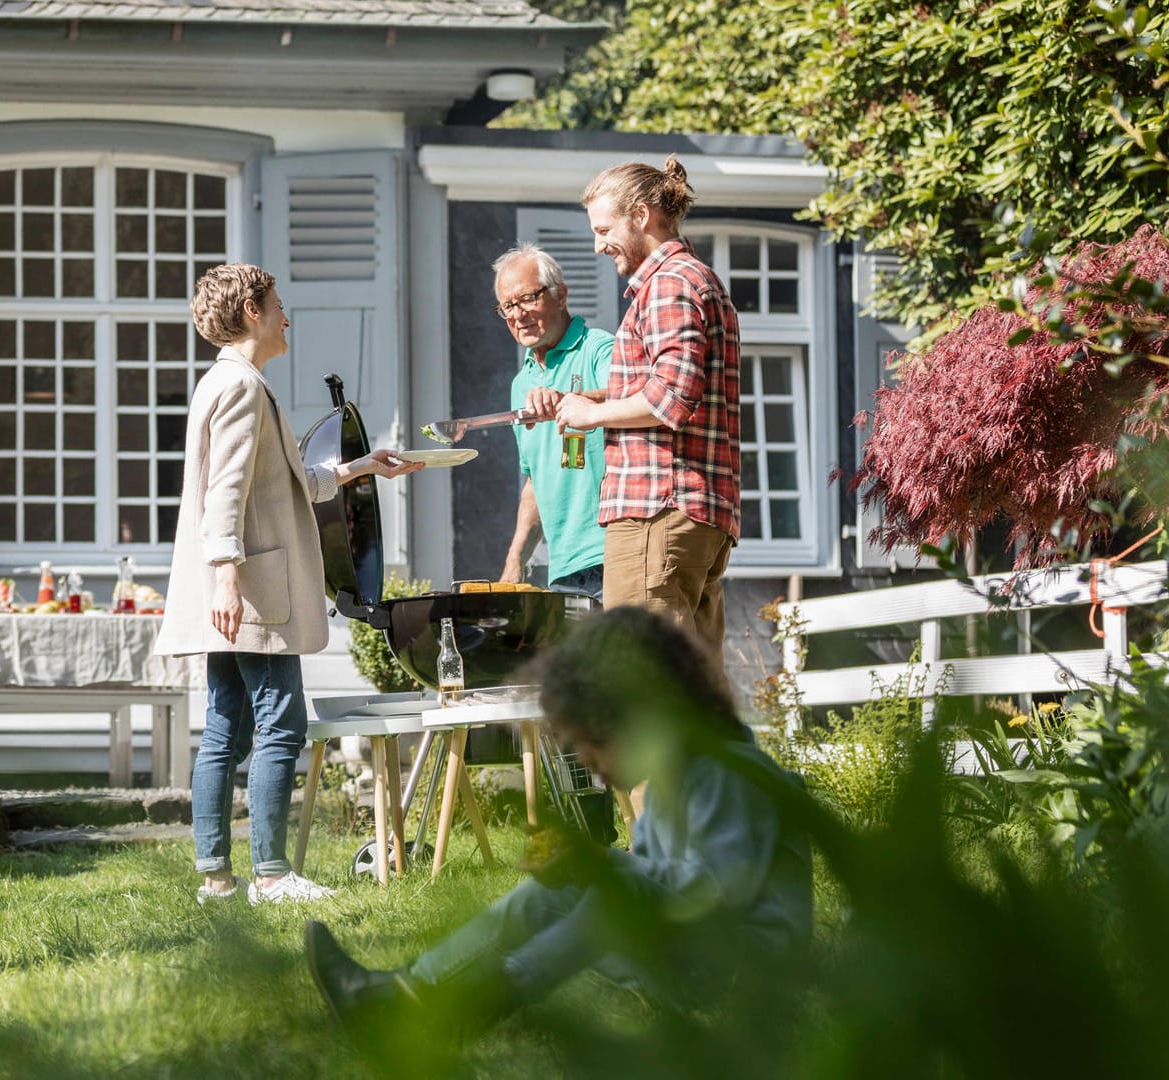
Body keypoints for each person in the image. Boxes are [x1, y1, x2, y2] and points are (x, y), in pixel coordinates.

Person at [305, 606, 813, 1061]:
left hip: (741, 979)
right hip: (696, 958)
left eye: (590, 742)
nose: (591, 765)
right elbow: (661, 883)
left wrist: (606, 872)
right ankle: (405, 992)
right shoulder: (678, 775)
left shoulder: (722, 776)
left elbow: (702, 903)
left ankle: (477, 1002)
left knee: (608, 905)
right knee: (559, 892)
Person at [155, 263, 421, 906]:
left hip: (241, 582)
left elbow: (287, 482)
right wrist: (225, 579)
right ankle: (272, 876)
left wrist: (358, 468)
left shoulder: (227, 381)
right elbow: (226, 494)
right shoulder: (243, 388)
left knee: (225, 727)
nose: (287, 316)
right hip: (251, 585)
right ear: (251, 309)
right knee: (281, 723)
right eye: (278, 305)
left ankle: (215, 877)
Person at [553, 156, 742, 658]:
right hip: (693, 514)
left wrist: (592, 416)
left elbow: (671, 399)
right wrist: (584, 401)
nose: (598, 245)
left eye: (604, 228)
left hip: (657, 509)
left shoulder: (668, 284)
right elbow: (672, 386)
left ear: (641, 216)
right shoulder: (695, 278)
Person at [492, 242, 614, 601]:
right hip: (563, 570)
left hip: (616, 554)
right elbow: (536, 482)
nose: (518, 314)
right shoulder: (521, 385)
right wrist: (516, 559)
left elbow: (636, 394)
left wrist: (569, 400)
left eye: (528, 298)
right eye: (508, 306)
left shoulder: (598, 348)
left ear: (560, 295)